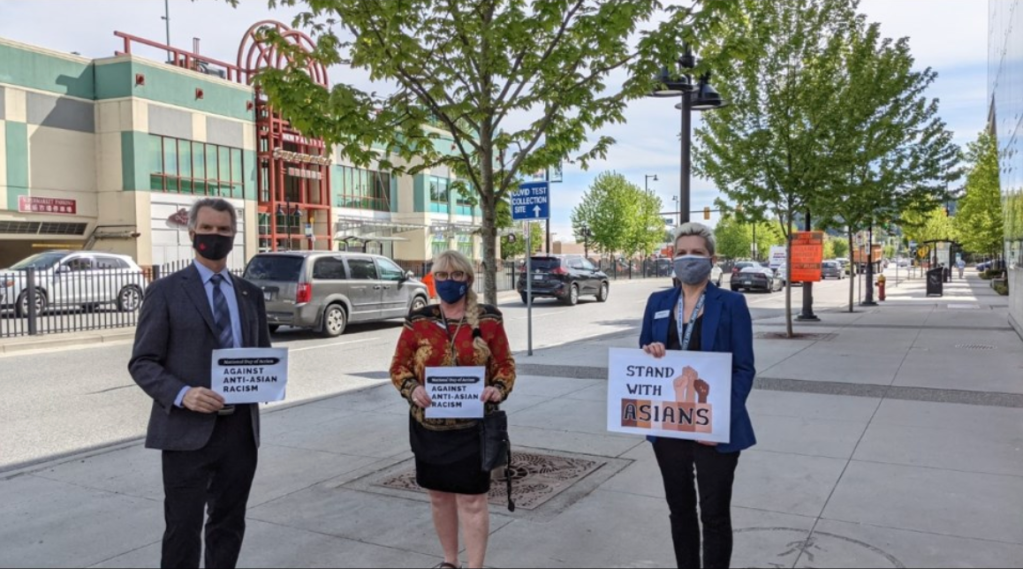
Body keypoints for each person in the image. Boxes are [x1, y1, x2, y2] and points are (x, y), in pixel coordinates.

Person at [129, 198, 271, 569]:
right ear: (192, 233)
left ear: (234, 235)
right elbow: (143, 362)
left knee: (229, 524)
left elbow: (262, 355)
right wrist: (183, 394)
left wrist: (268, 381)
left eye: (223, 229)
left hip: (239, 432)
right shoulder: (165, 291)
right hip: (185, 431)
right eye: (206, 228)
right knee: (182, 529)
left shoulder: (250, 294)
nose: (215, 235)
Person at [639, 222, 757, 569]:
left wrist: (716, 422)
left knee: (714, 514)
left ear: (712, 259)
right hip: (670, 425)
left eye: (697, 253)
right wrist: (650, 351)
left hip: (713, 429)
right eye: (681, 252)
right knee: (680, 510)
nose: (688, 258)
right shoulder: (658, 301)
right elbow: (643, 351)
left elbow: (744, 369)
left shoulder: (731, 303)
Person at [390, 250, 516, 569]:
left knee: (472, 500)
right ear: (433, 280)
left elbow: (505, 364)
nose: (449, 281)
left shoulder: (488, 319)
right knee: (439, 497)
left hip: (473, 430)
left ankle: (474, 566)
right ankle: (450, 561)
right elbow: (398, 366)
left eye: (456, 275)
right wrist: (412, 389)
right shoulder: (419, 320)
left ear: (468, 279)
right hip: (429, 429)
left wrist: (497, 389)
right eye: (442, 275)